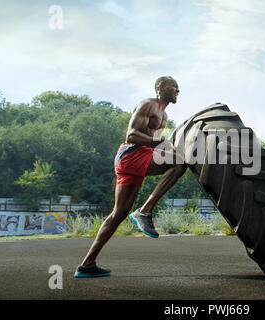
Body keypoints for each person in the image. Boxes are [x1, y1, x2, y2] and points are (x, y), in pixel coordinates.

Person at [74, 76, 186, 278]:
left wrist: (166, 143)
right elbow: (132, 136)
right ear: (161, 87)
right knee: (179, 163)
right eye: (174, 87)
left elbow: (154, 142)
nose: (178, 90)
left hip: (139, 158)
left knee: (119, 214)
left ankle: (87, 264)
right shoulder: (147, 105)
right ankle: (144, 211)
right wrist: (163, 143)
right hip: (131, 154)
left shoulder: (164, 116)